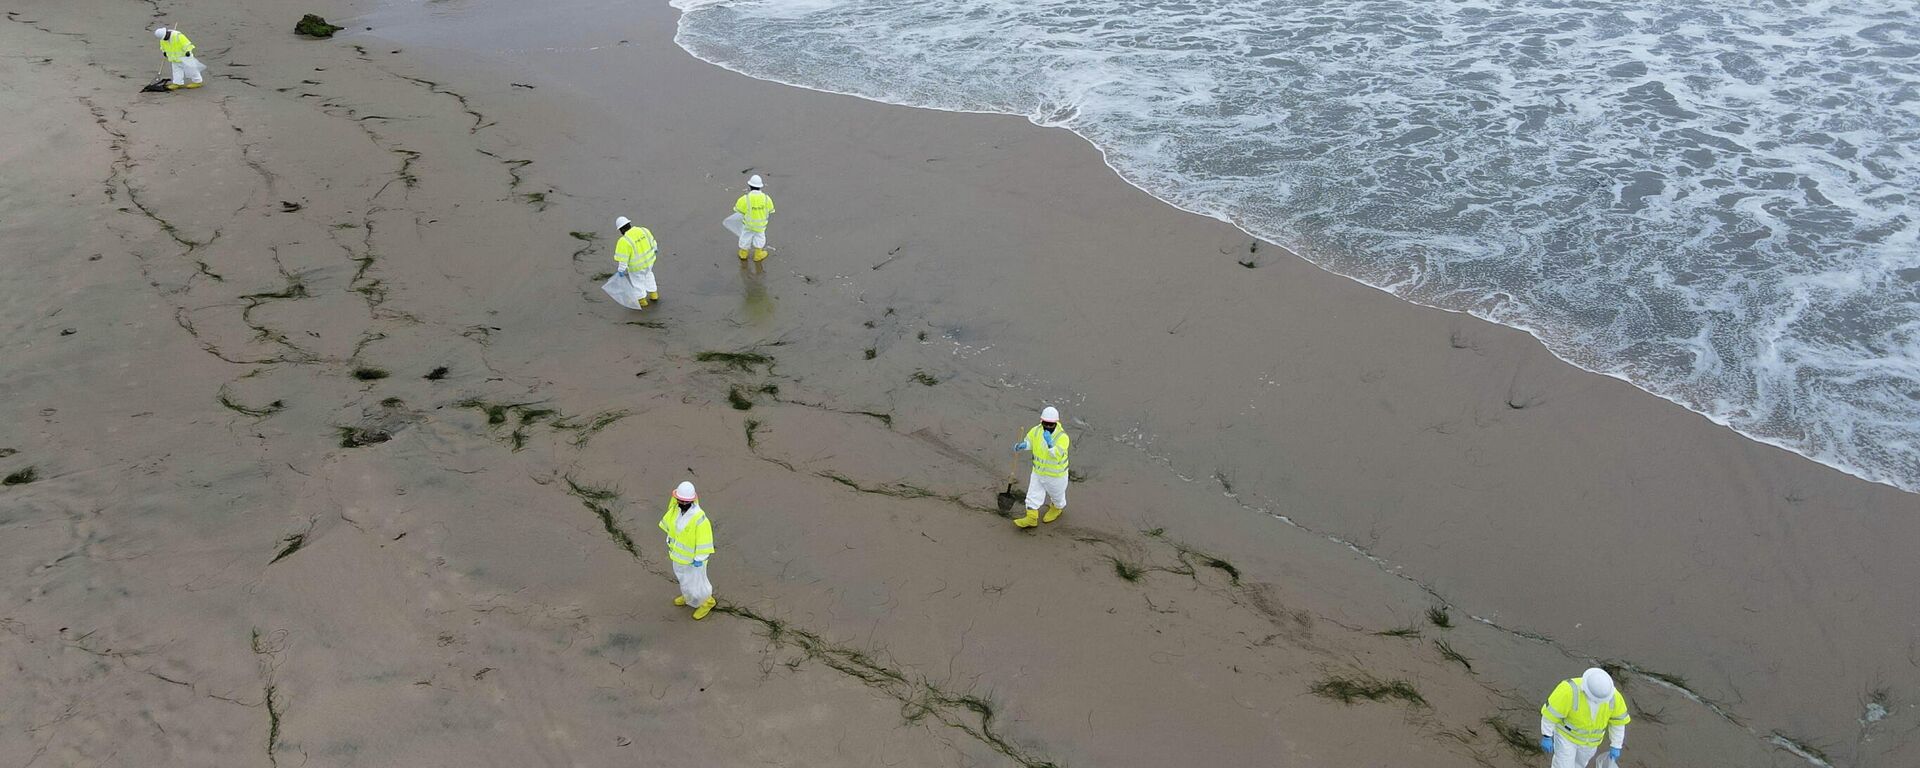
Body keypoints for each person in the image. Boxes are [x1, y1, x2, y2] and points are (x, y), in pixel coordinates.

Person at [1540, 668, 1631, 768]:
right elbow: (1551, 714)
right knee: (1562, 765)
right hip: (1566, 737)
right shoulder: (1568, 690)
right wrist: (1547, 735)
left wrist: (1616, 745)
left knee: (1579, 765)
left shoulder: (1614, 697)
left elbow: (1618, 723)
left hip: (1590, 743)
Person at [659, 481, 717, 620]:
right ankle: (688, 597)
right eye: (680, 500)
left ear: (691, 500)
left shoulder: (699, 518)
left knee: (698, 583)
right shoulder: (675, 510)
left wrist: (699, 559)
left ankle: (708, 602)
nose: (681, 503)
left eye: (685, 501)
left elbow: (705, 541)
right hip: (678, 556)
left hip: (693, 560)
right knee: (683, 579)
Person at [1010, 407, 1071, 529]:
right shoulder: (1036, 430)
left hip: (1056, 476)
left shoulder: (1062, 437)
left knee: (1057, 495)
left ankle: (1057, 508)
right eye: (1045, 423)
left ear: (1056, 422)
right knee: (1032, 495)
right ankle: (1031, 518)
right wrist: (1024, 445)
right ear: (1041, 421)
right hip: (1038, 472)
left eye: (1051, 424)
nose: (1048, 426)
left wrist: (1050, 444)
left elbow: (1057, 455)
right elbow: (1030, 442)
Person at [612, 216, 660, 308]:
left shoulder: (624, 241)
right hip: (649, 262)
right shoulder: (643, 230)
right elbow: (653, 242)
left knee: (637, 282)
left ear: (621, 229)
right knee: (649, 275)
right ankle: (654, 294)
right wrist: (655, 249)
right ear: (629, 224)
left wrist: (621, 270)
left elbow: (623, 259)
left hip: (636, 267)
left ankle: (642, 301)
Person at [733, 174, 776, 262]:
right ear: (760, 186)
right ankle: (758, 254)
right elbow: (771, 210)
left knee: (745, 237)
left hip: (748, 225)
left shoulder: (745, 199)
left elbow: (737, 210)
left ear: (750, 186)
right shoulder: (767, 199)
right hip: (760, 226)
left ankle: (743, 253)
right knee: (760, 238)